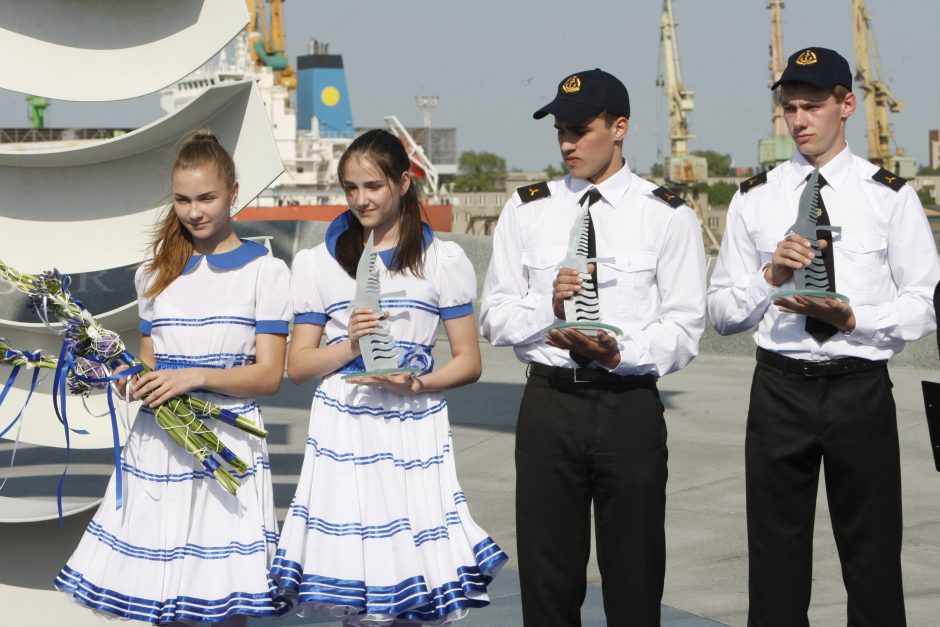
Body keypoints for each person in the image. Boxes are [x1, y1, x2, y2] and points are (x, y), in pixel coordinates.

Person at [707, 47, 940, 627]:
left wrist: (855, 320)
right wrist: (771, 277)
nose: (799, 120)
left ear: (848, 106)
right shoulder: (754, 199)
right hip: (779, 390)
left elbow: (925, 303)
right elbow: (721, 313)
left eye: (812, 106)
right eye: (790, 108)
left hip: (859, 387)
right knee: (775, 563)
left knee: (873, 559)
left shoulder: (889, 197)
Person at [480, 68, 706, 626]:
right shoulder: (527, 209)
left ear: (619, 127)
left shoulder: (666, 214)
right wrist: (546, 308)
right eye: (560, 129)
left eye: (580, 130)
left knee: (634, 579)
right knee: (547, 580)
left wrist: (618, 354)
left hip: (627, 406)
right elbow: (494, 316)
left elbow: (684, 328)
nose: (566, 143)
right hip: (548, 406)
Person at [55, 132, 291, 625]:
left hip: (227, 441)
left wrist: (191, 378)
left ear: (233, 191)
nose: (194, 211)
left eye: (207, 197)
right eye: (183, 199)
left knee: (224, 599)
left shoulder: (265, 272)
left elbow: (269, 376)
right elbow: (149, 366)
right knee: (163, 599)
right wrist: (123, 379)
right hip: (160, 443)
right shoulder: (152, 273)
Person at [272, 128, 506, 625]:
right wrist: (350, 345)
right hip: (345, 421)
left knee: (414, 572)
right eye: (350, 188)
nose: (360, 199)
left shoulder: (442, 261)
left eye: (372, 186)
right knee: (359, 575)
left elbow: (468, 360)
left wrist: (418, 384)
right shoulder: (317, 264)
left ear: (403, 182)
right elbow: (298, 367)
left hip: (412, 421)